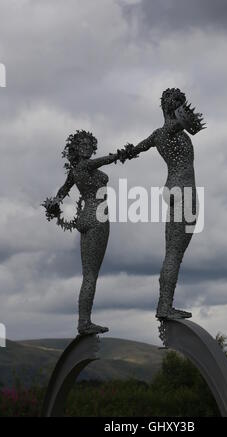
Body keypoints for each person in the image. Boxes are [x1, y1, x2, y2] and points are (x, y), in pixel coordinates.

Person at [42, 130, 135, 335]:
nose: (86, 146)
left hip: (85, 218)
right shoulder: (84, 165)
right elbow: (103, 161)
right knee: (92, 275)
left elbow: (60, 194)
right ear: (75, 147)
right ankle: (84, 322)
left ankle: (83, 320)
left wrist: (53, 207)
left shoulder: (74, 171)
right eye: (81, 143)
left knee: (88, 274)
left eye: (88, 143)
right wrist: (121, 154)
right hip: (97, 217)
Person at [129, 88, 206, 320]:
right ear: (172, 106)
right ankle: (165, 306)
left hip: (171, 189)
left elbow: (135, 149)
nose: (183, 106)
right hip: (184, 190)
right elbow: (186, 123)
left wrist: (118, 155)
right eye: (179, 103)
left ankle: (164, 303)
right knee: (175, 254)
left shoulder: (157, 135)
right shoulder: (173, 129)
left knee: (171, 252)